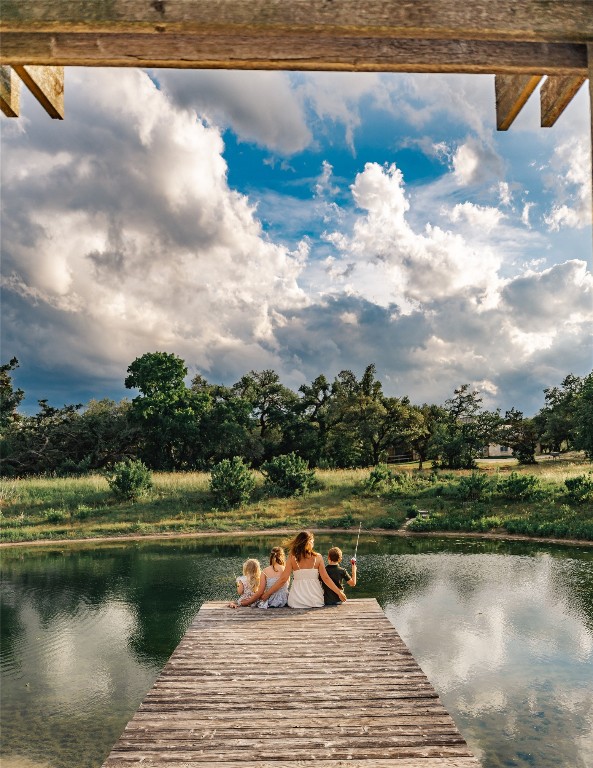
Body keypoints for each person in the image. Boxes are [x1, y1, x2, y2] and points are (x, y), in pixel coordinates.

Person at [260, 531, 346, 608]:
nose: (313, 544)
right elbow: (326, 579)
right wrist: (339, 593)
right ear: (309, 543)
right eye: (312, 542)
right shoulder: (318, 557)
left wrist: (267, 594)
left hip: (296, 601)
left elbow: (283, 579)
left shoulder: (292, 558)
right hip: (315, 600)